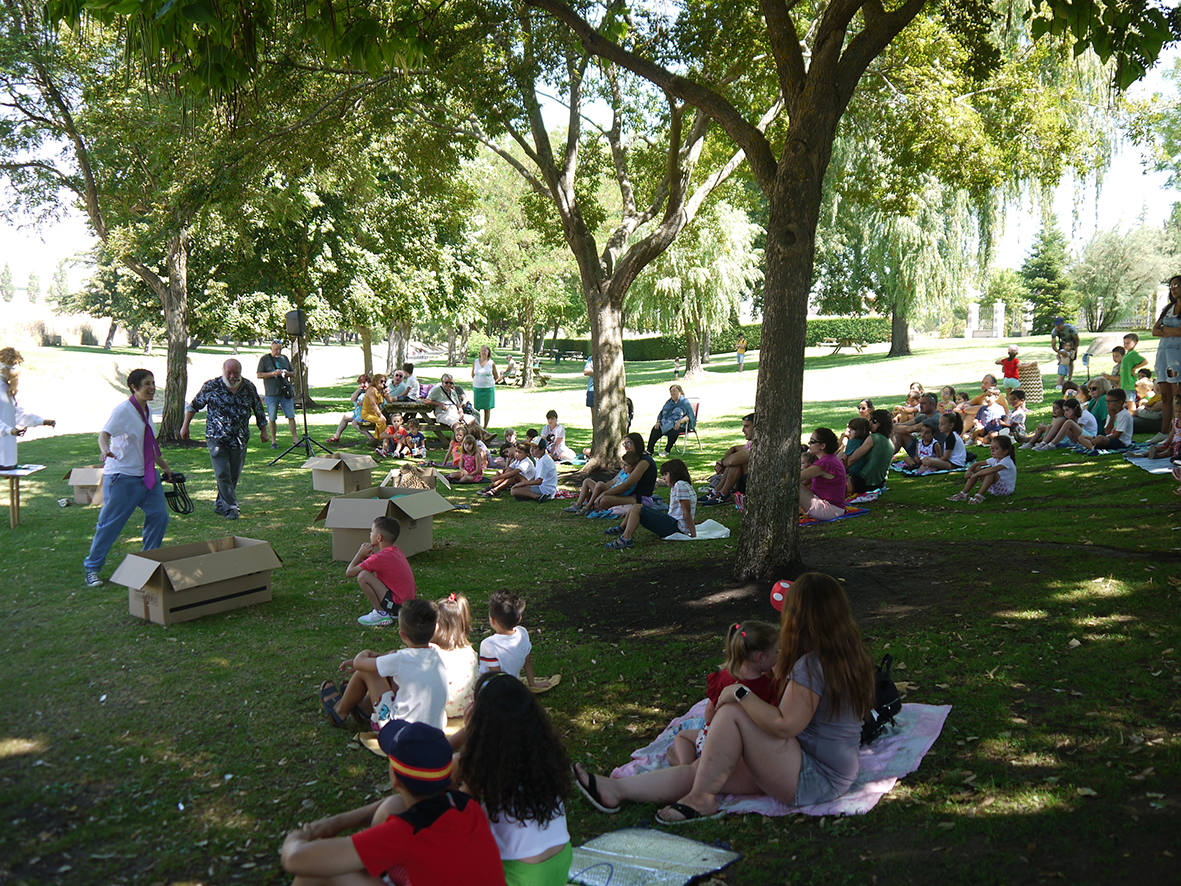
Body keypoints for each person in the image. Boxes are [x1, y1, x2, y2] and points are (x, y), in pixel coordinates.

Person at [572, 572, 874, 823]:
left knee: (732, 712)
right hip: (819, 764)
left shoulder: (811, 665)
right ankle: (616, 790)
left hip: (815, 776)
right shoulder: (843, 652)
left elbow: (785, 726)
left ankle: (702, 800)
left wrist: (740, 692)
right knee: (705, 770)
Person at [280, 721, 505, 886]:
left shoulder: (404, 833)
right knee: (392, 806)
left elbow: (295, 859)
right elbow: (394, 803)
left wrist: (297, 837)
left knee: (314, 873)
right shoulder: (467, 806)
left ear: (395, 779)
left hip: (402, 847)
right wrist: (335, 823)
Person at [456, 673, 573, 886]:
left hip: (518, 876)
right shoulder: (543, 756)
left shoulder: (485, 765)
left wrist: (469, 733)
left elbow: (454, 801)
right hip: (559, 865)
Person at [82, 368, 172, 588]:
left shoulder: (147, 411)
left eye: (153, 382)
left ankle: (147, 563)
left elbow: (151, 445)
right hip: (122, 478)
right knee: (110, 525)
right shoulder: (123, 410)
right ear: (134, 387)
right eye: (147, 384)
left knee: (160, 516)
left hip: (148, 477)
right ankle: (92, 568)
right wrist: (104, 450)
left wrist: (167, 469)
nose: (152, 387)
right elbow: (104, 435)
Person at [321, 597, 447, 731]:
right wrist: (378, 658)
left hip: (396, 731)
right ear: (436, 628)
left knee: (368, 671)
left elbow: (360, 664)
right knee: (386, 672)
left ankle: (340, 711)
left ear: (402, 635)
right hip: (435, 729)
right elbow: (396, 657)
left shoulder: (400, 659)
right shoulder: (438, 652)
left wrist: (364, 654)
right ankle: (363, 707)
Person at [669, 620, 780, 765]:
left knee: (681, 738)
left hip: (718, 740)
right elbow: (772, 717)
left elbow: (710, 711)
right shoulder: (769, 685)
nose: (779, 655)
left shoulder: (723, 677)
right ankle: (694, 769)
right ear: (760, 657)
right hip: (747, 747)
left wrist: (709, 729)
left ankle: (686, 767)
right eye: (776, 651)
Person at [180, 359, 268, 519]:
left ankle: (221, 504)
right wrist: (185, 426)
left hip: (239, 438)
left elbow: (258, 409)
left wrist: (264, 431)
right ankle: (232, 508)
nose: (233, 376)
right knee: (222, 473)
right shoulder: (211, 386)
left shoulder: (248, 387)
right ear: (223, 371)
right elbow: (193, 406)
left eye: (236, 372)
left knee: (233, 474)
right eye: (229, 372)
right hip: (216, 437)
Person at [604, 458, 697, 550]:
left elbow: (686, 512)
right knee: (636, 507)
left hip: (676, 528)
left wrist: (693, 534)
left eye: (666, 474)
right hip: (673, 523)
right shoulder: (682, 485)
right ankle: (621, 528)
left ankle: (625, 539)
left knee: (637, 508)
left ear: (675, 473)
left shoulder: (680, 485)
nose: (664, 478)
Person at [347, 516, 417, 628]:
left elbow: (349, 572)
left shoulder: (378, 558)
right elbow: (381, 563)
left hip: (397, 606)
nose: (370, 534)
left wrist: (359, 554)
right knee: (366, 574)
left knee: (363, 576)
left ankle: (380, 614)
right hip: (407, 605)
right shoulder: (395, 550)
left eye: (371, 532)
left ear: (379, 538)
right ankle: (390, 612)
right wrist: (369, 558)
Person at [0, 348, 55, 470]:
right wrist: (9, 430)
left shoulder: (7, 389)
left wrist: (41, 421)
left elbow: (17, 414)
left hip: (8, 457)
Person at [479, 591, 547, 689]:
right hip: (513, 683)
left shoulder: (488, 645)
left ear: (492, 620)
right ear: (519, 619)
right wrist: (533, 684)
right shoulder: (522, 633)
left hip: (491, 688)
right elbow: (527, 661)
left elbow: (496, 678)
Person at [433, 593, 478, 720]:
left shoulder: (433, 653)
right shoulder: (470, 652)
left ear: (438, 627)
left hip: (440, 712)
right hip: (466, 710)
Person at [1148, 275, 1181, 446]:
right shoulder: (1168, 308)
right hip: (1163, 354)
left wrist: (1167, 330)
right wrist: (1171, 331)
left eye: (1176, 285)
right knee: (1165, 395)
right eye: (1171, 286)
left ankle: (1177, 432)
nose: (1173, 288)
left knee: (1177, 395)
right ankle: (1163, 432)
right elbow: (1155, 330)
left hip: (1178, 356)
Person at [701, 414, 754, 505]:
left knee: (735, 463)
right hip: (743, 482)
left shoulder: (758, 445)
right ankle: (717, 492)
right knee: (733, 462)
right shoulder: (750, 443)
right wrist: (723, 460)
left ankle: (723, 494)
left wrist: (722, 463)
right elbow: (733, 448)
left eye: (747, 426)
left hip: (751, 483)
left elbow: (731, 461)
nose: (743, 430)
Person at [564, 450, 639, 513]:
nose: (623, 467)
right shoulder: (623, 471)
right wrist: (603, 487)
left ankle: (588, 505)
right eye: (622, 464)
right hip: (609, 490)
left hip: (615, 495)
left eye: (625, 465)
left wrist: (604, 491)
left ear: (633, 467)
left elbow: (621, 490)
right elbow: (612, 482)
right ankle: (578, 504)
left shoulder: (631, 477)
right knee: (588, 481)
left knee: (600, 487)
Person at [948, 436, 1017, 503]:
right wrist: (969, 471)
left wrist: (975, 475)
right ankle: (964, 493)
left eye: (996, 448)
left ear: (1005, 451)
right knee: (977, 468)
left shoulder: (1007, 461)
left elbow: (992, 470)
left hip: (1005, 490)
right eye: (991, 448)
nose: (992, 450)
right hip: (994, 487)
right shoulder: (995, 459)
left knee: (990, 473)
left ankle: (979, 496)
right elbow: (977, 464)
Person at [257, 339, 297, 449]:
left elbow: (293, 373)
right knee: (272, 417)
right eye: (276, 350)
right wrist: (273, 373)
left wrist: (285, 373)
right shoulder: (264, 359)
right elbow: (259, 375)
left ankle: (295, 440)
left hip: (285, 392)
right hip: (271, 393)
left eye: (280, 349)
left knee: (291, 415)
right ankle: (274, 441)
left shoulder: (284, 358)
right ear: (271, 349)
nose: (278, 352)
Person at [799, 428, 846, 520]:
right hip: (833, 507)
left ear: (822, 446)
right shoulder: (830, 459)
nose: (809, 444)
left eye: (812, 441)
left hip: (830, 510)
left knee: (792, 484)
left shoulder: (825, 464)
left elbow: (795, 478)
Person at [844, 410, 892, 495]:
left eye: (873, 421)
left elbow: (852, 459)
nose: (869, 423)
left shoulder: (873, 438)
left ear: (880, 424)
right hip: (880, 483)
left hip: (865, 482)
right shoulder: (889, 441)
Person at [327, 374, 375, 445]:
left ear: (369, 383)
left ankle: (371, 438)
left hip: (367, 414)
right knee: (345, 416)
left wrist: (363, 404)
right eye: (360, 383)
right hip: (358, 413)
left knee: (354, 423)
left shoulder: (372, 391)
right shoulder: (361, 391)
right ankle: (336, 436)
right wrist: (358, 390)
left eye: (364, 383)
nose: (362, 385)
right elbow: (352, 399)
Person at [648, 385, 695, 455]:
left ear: (680, 392)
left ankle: (667, 450)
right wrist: (658, 422)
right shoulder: (669, 402)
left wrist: (679, 422)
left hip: (681, 425)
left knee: (673, 431)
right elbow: (661, 413)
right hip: (666, 423)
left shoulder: (685, 402)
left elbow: (689, 416)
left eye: (674, 391)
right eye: (671, 392)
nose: (672, 393)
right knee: (655, 429)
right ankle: (649, 450)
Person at [472, 345, 500, 427]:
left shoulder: (491, 363)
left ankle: (485, 427)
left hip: (488, 389)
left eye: (485, 350)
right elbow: (472, 374)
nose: (483, 352)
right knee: (477, 409)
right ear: (480, 352)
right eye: (482, 350)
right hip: (477, 388)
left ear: (488, 352)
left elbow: (496, 376)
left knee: (487, 409)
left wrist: (489, 382)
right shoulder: (475, 362)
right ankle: (477, 426)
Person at [1051, 316, 1080, 387]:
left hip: (1072, 343)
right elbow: (1053, 344)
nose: (1057, 327)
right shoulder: (1054, 331)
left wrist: (1074, 350)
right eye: (1056, 325)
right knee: (1062, 361)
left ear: (1063, 324)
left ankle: (1069, 380)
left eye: (1059, 325)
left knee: (1071, 361)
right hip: (1063, 343)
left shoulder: (1071, 329)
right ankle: (1061, 381)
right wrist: (1059, 352)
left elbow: (1077, 339)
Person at [360, 374, 390, 438]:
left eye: (385, 381)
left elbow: (390, 401)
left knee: (382, 421)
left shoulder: (380, 391)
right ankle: (382, 439)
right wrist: (380, 415)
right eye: (381, 381)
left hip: (375, 414)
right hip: (367, 414)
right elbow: (373, 404)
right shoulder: (371, 390)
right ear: (376, 381)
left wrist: (387, 393)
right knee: (381, 421)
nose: (383, 383)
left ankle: (378, 439)